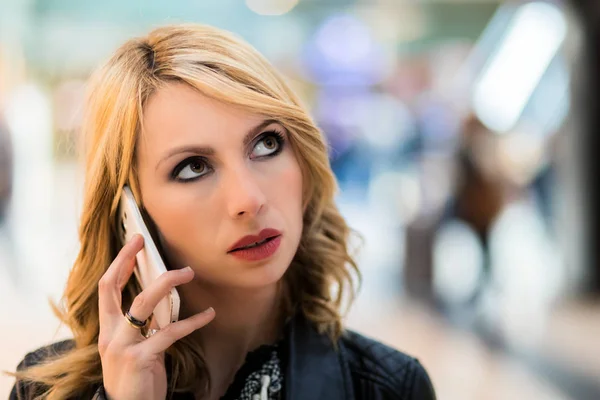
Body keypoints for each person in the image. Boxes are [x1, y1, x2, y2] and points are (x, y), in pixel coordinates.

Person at [7, 24, 436, 400]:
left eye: (266, 144)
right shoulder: (45, 391)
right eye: (193, 167)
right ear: (130, 212)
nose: (249, 199)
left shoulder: (389, 387)